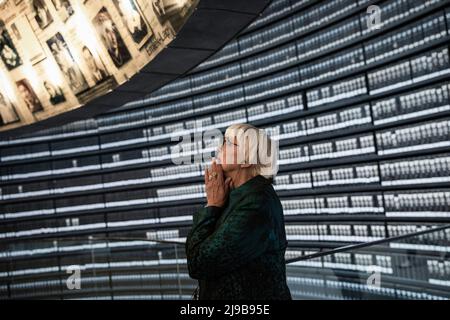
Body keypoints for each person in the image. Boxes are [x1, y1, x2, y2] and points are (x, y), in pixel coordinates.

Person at [186, 123, 292, 300]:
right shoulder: (239, 197)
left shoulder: (256, 204)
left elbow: (199, 263)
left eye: (228, 142)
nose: (219, 147)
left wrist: (212, 206)